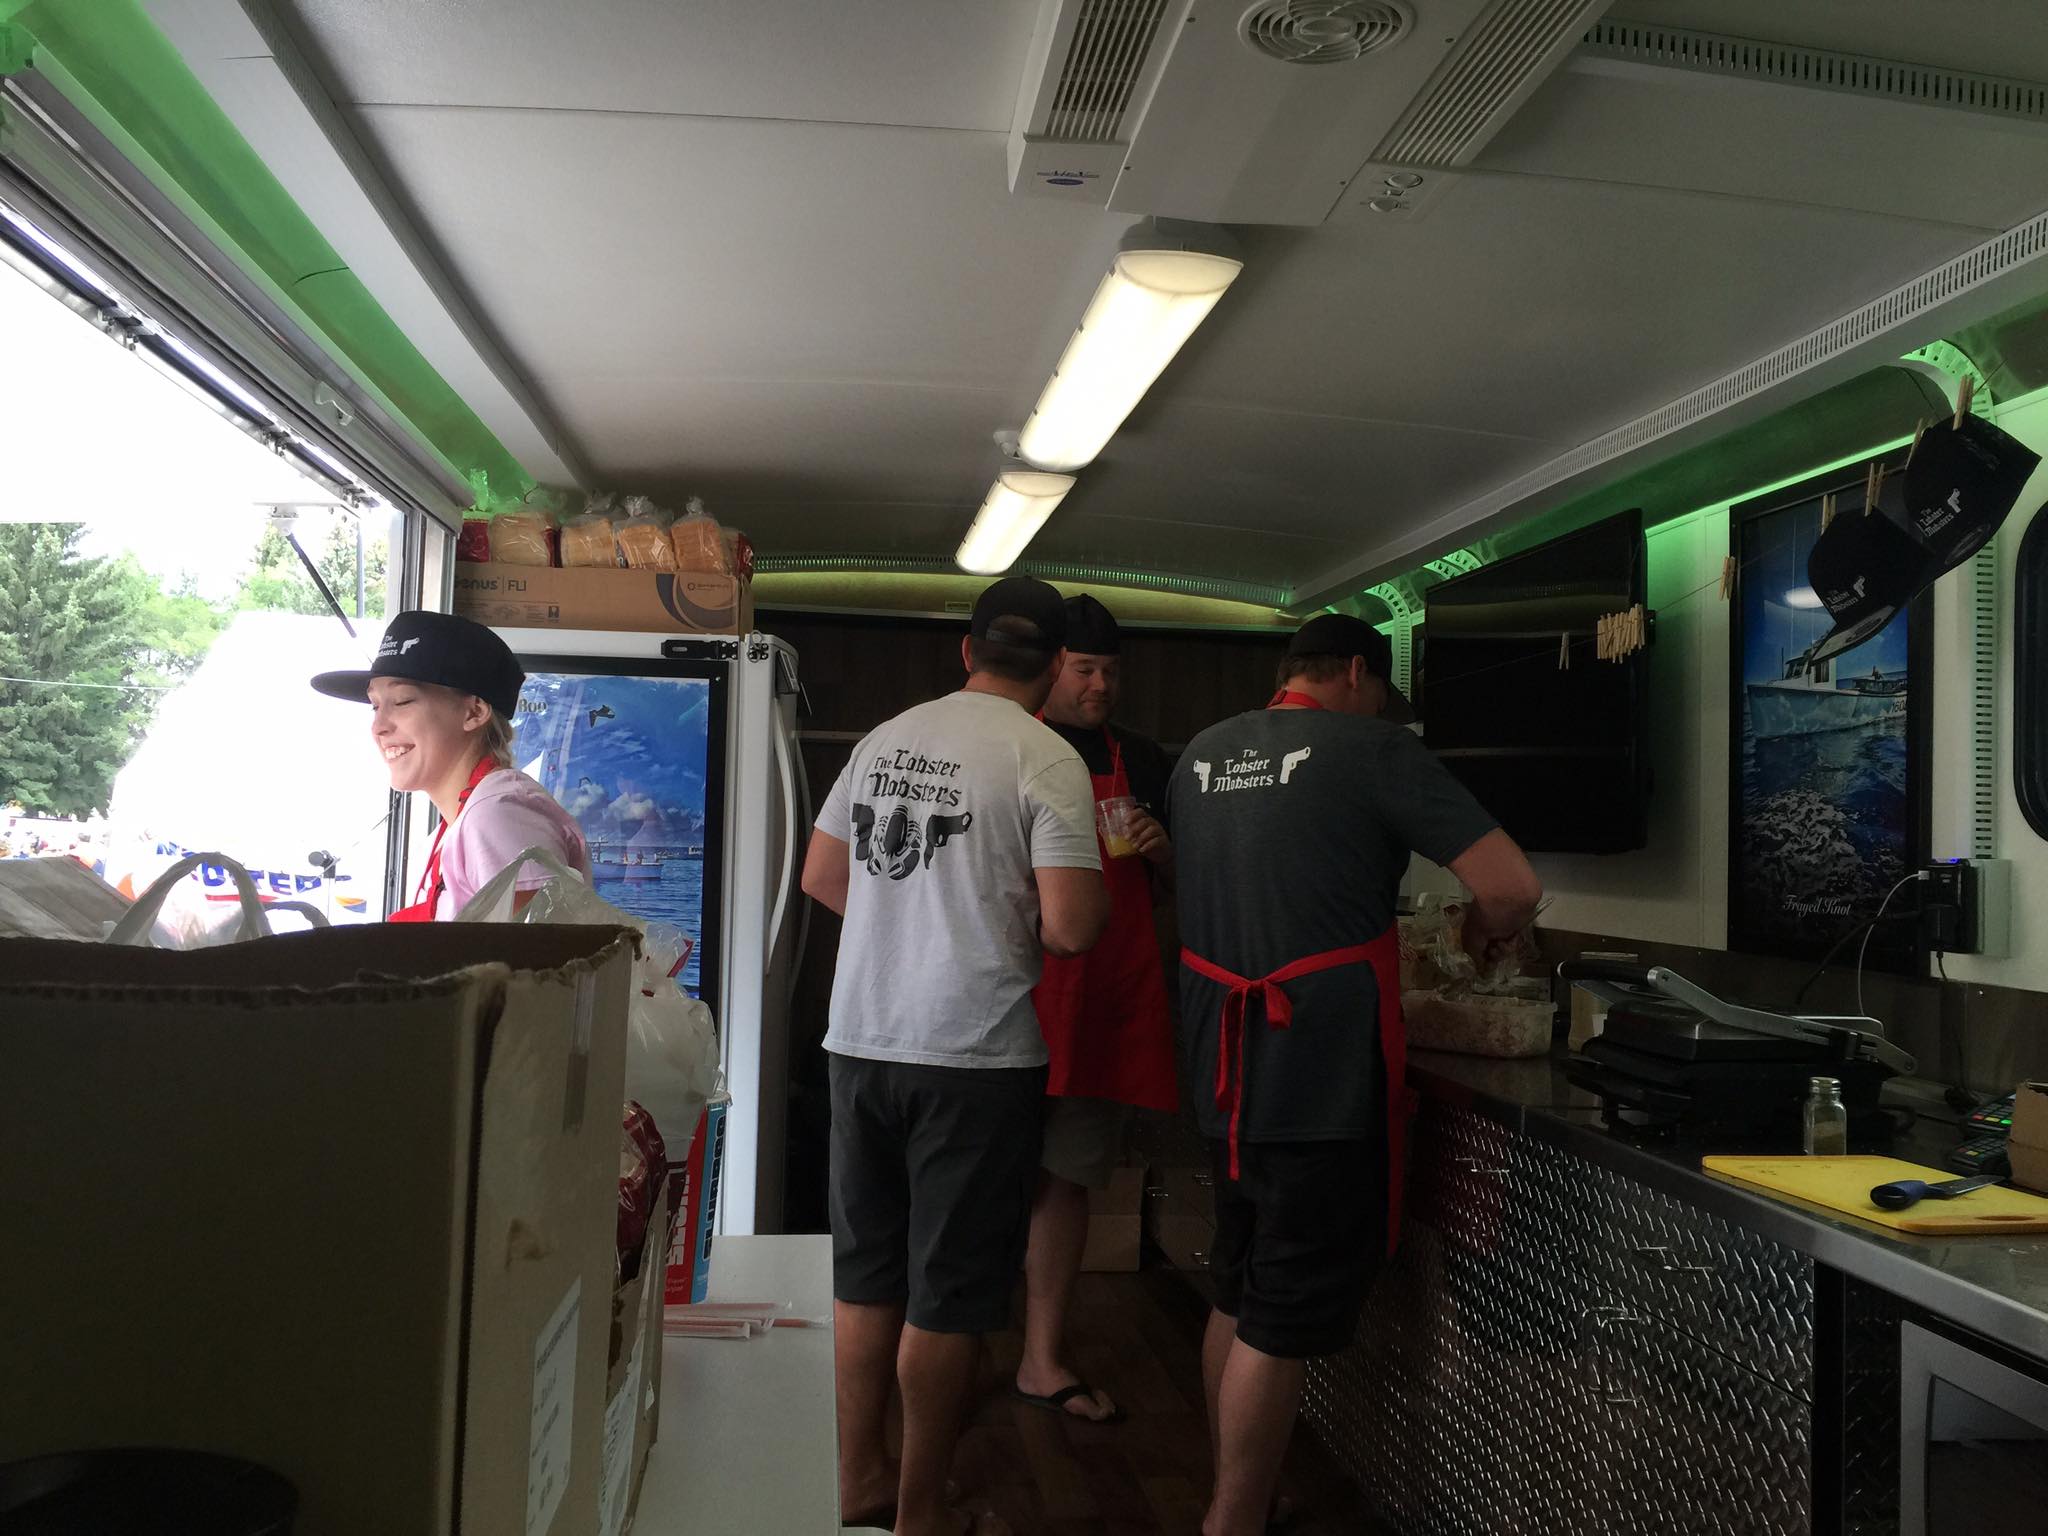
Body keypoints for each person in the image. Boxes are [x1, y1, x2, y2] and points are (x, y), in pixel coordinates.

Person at [1167, 613, 1542, 1536]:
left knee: (1239, 1286)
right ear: (1357, 674)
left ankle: (1238, 1492)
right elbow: (1511, 887)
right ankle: (1233, 1519)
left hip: (1223, 1071)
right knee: (1283, 1311)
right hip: (1320, 1074)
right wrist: (1480, 935)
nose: (1380, 709)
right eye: (1380, 695)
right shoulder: (1372, 749)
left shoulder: (1200, 755)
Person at [800, 575, 1111, 1536]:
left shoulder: (885, 739)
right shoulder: (1046, 756)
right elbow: (1071, 928)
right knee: (949, 1291)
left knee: (866, 1275)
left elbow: (822, 875)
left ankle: (858, 1478)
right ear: (1054, 668)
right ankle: (921, 1512)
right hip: (974, 1057)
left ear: (967, 651)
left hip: (859, 1044)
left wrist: (907, 922)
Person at [1018, 594, 1177, 1425]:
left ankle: (1041, 1356)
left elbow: (1177, 887)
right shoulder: (1014, 743)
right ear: (1052, 668)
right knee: (980, 1179)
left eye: (1112, 672)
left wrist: (1163, 849)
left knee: (1067, 1180)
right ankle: (951, 1343)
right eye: (1085, 669)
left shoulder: (1140, 758)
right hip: (1012, 996)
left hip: (1099, 1004)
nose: (1101, 686)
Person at [311, 609, 589, 921]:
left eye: (402, 701)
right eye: (375, 706)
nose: (379, 726)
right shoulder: (461, 821)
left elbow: (543, 948)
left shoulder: (497, 816)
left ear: (474, 712)